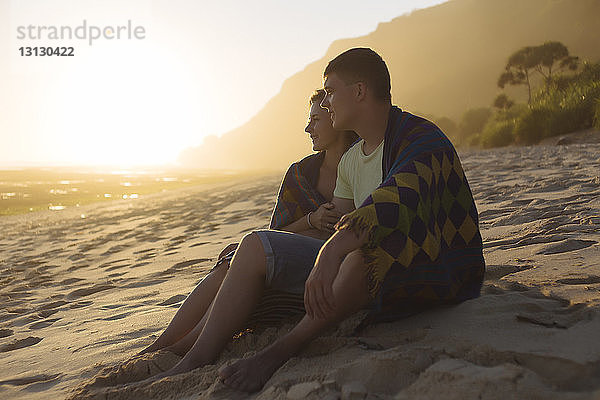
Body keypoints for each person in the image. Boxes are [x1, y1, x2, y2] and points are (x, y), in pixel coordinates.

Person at [154, 47, 485, 391]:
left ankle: (279, 351)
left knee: (361, 257)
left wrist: (332, 251)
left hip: (423, 265)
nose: (325, 103)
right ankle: (192, 355)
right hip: (355, 266)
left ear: (359, 91)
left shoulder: (419, 137)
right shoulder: (352, 160)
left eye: (330, 92)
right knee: (253, 245)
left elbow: (395, 202)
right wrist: (272, 255)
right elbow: (336, 223)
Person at [139, 89, 357, 356]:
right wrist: (311, 219)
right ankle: (162, 346)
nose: (307, 128)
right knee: (230, 261)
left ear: (335, 118)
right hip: (289, 256)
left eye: (316, 120)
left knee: (243, 254)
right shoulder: (301, 173)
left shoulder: (362, 164)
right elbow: (277, 234)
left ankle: (184, 348)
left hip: (324, 269)